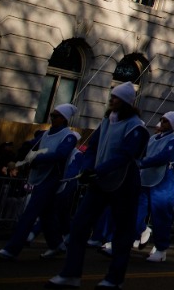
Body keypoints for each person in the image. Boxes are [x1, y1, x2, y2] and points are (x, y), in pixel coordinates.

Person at [46, 83, 148, 290]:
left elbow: (125, 156)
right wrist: (86, 168)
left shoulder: (137, 127)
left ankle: (114, 278)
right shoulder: (107, 121)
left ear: (127, 102)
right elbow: (92, 147)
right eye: (112, 96)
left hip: (124, 183)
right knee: (79, 226)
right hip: (99, 182)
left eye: (116, 97)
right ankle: (71, 273)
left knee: (122, 232)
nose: (112, 100)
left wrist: (97, 170)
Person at [0, 104, 80, 261]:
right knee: (47, 215)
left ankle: (12, 249)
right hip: (41, 176)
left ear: (63, 119)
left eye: (55, 116)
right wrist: (19, 160)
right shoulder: (45, 134)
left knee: (30, 212)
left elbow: (60, 154)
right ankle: (56, 244)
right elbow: (29, 146)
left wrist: (36, 159)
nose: (52, 118)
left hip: (53, 178)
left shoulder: (69, 136)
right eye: (52, 115)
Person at [136, 110, 174, 262]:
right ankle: (142, 230)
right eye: (162, 120)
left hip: (164, 182)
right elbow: (143, 153)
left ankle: (161, 249)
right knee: (136, 212)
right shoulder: (152, 138)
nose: (162, 123)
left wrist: (143, 163)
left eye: (166, 121)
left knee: (161, 217)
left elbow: (164, 157)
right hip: (146, 179)